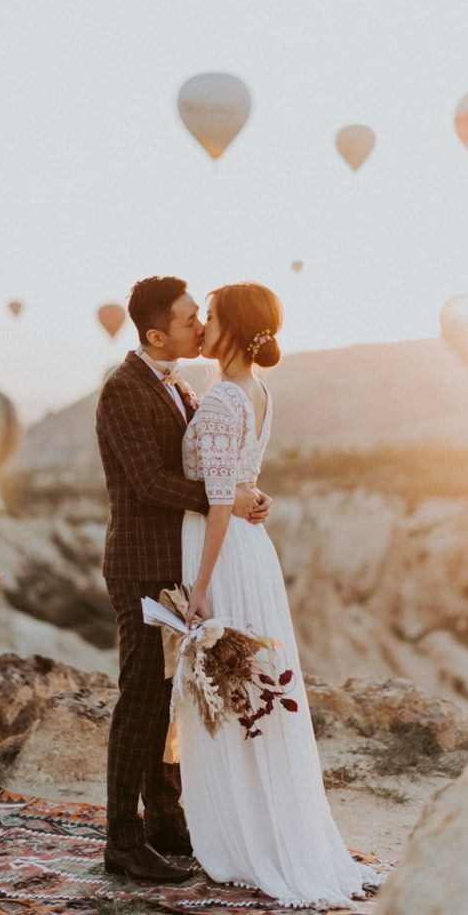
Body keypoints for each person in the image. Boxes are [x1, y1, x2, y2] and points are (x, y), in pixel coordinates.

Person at [176, 281, 380, 907]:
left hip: (222, 555)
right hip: (251, 552)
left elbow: (215, 500)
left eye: (209, 318)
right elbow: (239, 483)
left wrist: (199, 588)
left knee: (227, 687)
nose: (202, 327)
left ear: (233, 329)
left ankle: (243, 842)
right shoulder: (258, 393)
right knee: (252, 688)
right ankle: (267, 829)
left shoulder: (218, 403)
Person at [95, 276, 272, 883]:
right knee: (142, 697)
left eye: (203, 315)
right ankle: (122, 836)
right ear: (155, 333)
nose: (200, 325)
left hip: (175, 565)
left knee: (171, 700)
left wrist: (237, 493)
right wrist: (226, 498)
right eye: (189, 317)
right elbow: (149, 482)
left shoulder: (182, 385)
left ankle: (165, 820)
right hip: (141, 567)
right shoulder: (123, 390)